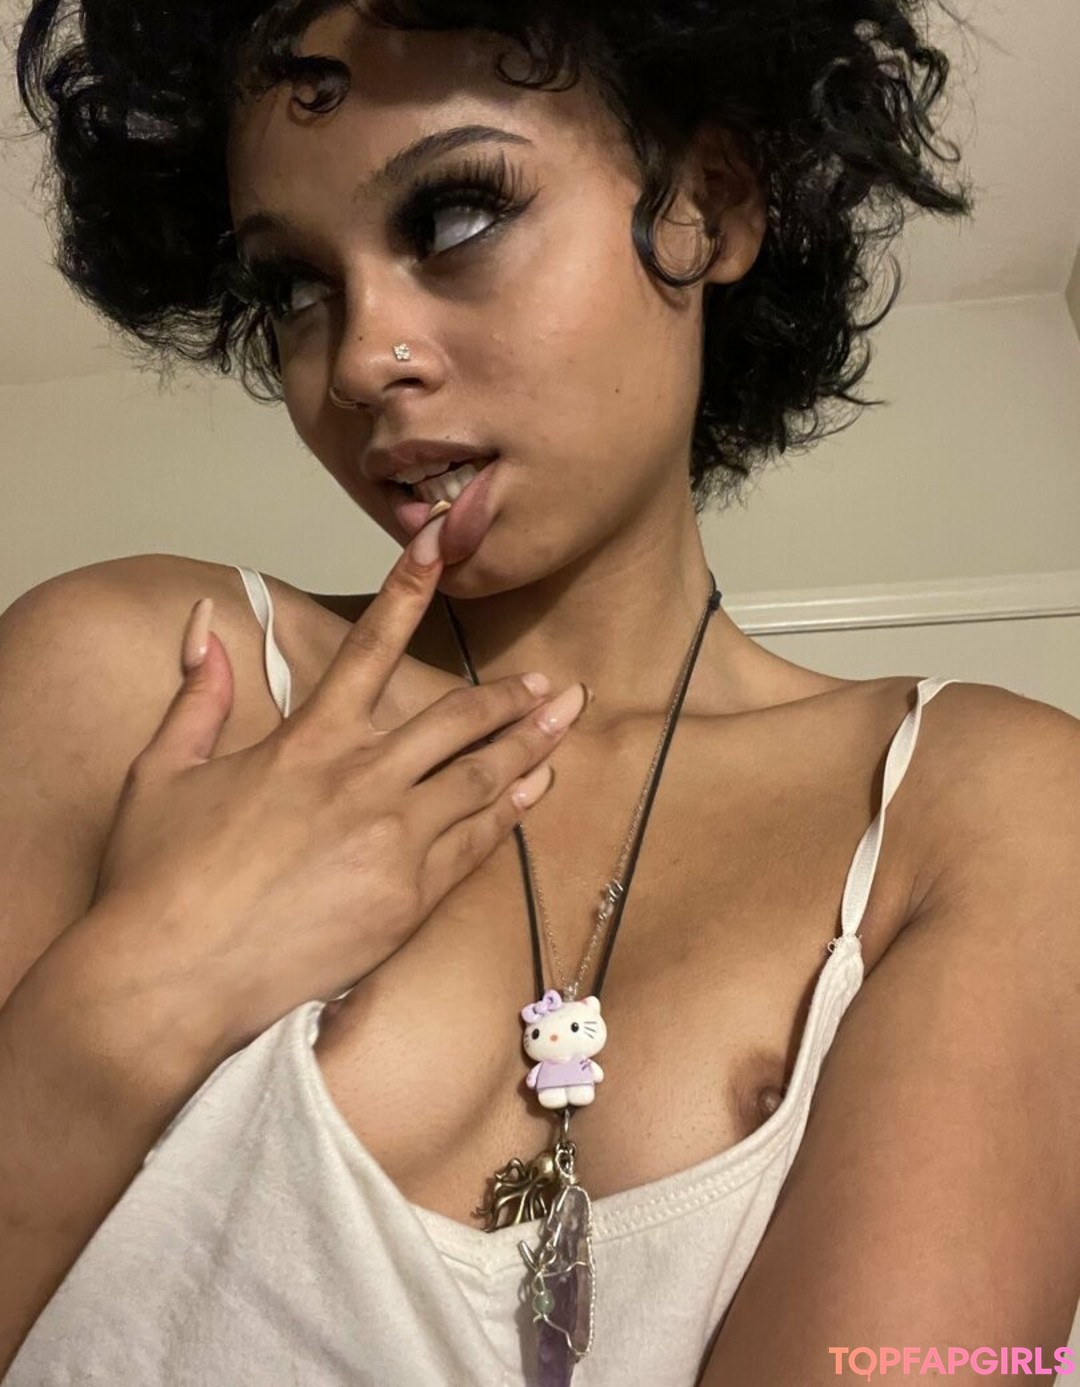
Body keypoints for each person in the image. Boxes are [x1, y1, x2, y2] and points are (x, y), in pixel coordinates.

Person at [2, 2, 1077, 1384]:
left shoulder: (986, 810)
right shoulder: (149, 678)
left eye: (455, 216)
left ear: (708, 205)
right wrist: (141, 993)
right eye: (296, 286)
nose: (362, 359)